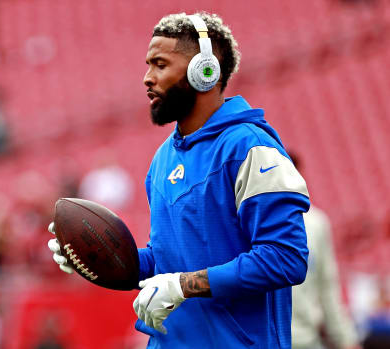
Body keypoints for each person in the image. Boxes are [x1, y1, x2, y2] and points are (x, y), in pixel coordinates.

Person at [48, 11, 310, 348]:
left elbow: (285, 258)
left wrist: (185, 285)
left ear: (205, 71)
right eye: (148, 65)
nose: (146, 77)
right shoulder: (162, 161)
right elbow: (165, 262)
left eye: (160, 64)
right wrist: (94, 257)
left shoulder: (250, 147)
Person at [290, 154, 361, 349]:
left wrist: (345, 339)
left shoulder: (316, 223)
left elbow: (327, 286)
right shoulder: (248, 221)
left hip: (306, 339)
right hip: (263, 341)